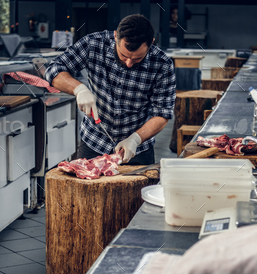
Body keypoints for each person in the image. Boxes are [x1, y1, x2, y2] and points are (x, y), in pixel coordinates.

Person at [45, 14, 176, 165]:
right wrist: (79, 89)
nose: (128, 63)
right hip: (93, 143)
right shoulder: (93, 44)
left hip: (137, 151)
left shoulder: (162, 64)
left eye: (137, 59)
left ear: (151, 43)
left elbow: (162, 113)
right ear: (115, 36)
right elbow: (53, 69)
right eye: (123, 55)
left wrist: (135, 139)